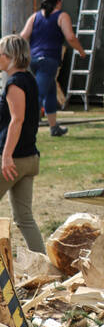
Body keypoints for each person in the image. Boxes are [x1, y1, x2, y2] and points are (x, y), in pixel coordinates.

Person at [0, 34, 46, 253]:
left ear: (10, 57)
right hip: (29, 159)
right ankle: (44, 267)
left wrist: (6, 156)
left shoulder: (14, 83)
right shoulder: (29, 79)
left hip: (14, 160)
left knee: (24, 217)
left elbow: (17, 121)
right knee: (24, 218)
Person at [19, 0, 86, 137]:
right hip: (49, 60)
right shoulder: (62, 16)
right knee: (38, 94)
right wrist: (81, 51)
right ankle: (23, 128)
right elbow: (71, 37)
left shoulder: (34, 17)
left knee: (50, 93)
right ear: (59, 2)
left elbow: (23, 36)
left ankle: (54, 127)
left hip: (35, 60)